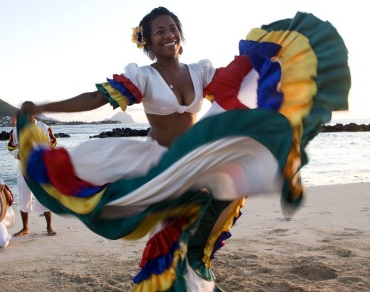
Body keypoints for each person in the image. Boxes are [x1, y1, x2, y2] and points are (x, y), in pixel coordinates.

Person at [18, 7, 350, 291]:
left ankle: (192, 283)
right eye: (159, 31)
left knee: (202, 226)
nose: (168, 34)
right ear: (147, 40)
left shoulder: (199, 71)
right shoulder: (143, 77)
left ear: (181, 34)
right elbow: (96, 99)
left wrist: (265, 63)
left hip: (197, 160)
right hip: (157, 163)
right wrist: (44, 107)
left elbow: (233, 85)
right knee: (173, 231)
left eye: (173, 28)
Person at [8, 105, 58, 237]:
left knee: (44, 196)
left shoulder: (43, 127)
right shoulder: (16, 131)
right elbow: (11, 147)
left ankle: (49, 226)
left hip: (41, 168)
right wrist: (18, 153)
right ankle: (25, 228)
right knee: (24, 197)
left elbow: (53, 142)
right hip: (23, 169)